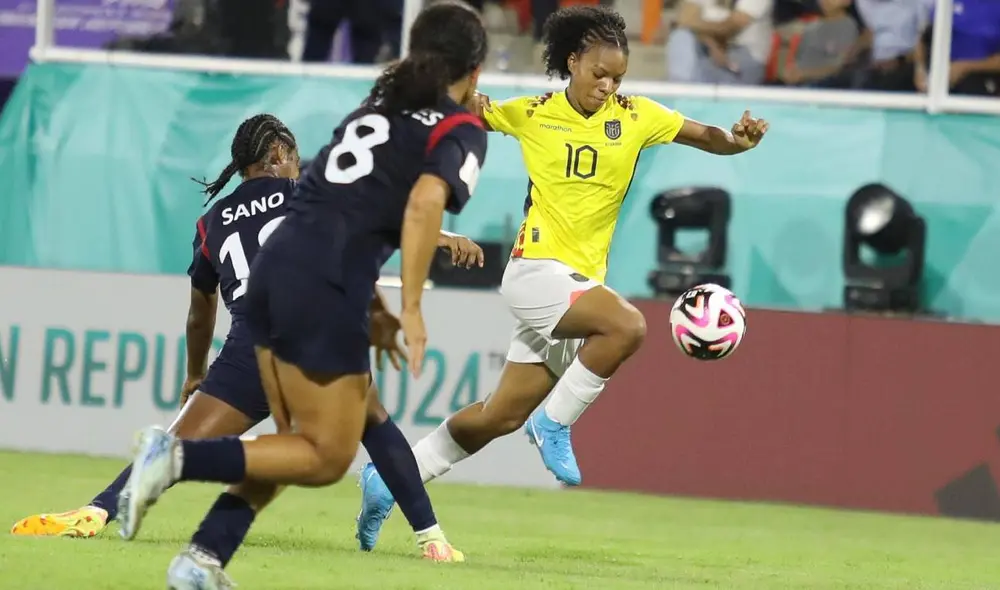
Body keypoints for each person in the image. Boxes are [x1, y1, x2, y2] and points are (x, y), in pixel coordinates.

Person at [355, 4, 768, 550]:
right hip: (535, 272)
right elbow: (468, 112)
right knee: (627, 327)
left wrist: (739, 139)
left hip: (575, 286)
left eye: (618, 77)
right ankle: (554, 425)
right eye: (599, 73)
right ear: (572, 62)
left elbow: (706, 136)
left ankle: (392, 477)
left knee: (498, 416)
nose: (608, 85)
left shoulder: (636, 116)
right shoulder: (534, 112)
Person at [115, 2, 489, 587]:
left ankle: (202, 560)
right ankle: (174, 458)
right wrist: (411, 308)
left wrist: (373, 309)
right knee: (326, 454)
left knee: (294, 442)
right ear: (476, 69)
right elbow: (420, 206)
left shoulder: (373, 111)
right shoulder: (458, 127)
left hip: (275, 277)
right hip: (320, 285)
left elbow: (337, 209)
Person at [9, 113, 483, 562]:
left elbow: (200, 312)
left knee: (173, 449)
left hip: (249, 347)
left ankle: (97, 510)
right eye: (292, 155)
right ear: (279, 152)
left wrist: (196, 375)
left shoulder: (211, 222)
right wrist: (446, 239)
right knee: (372, 421)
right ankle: (433, 541)